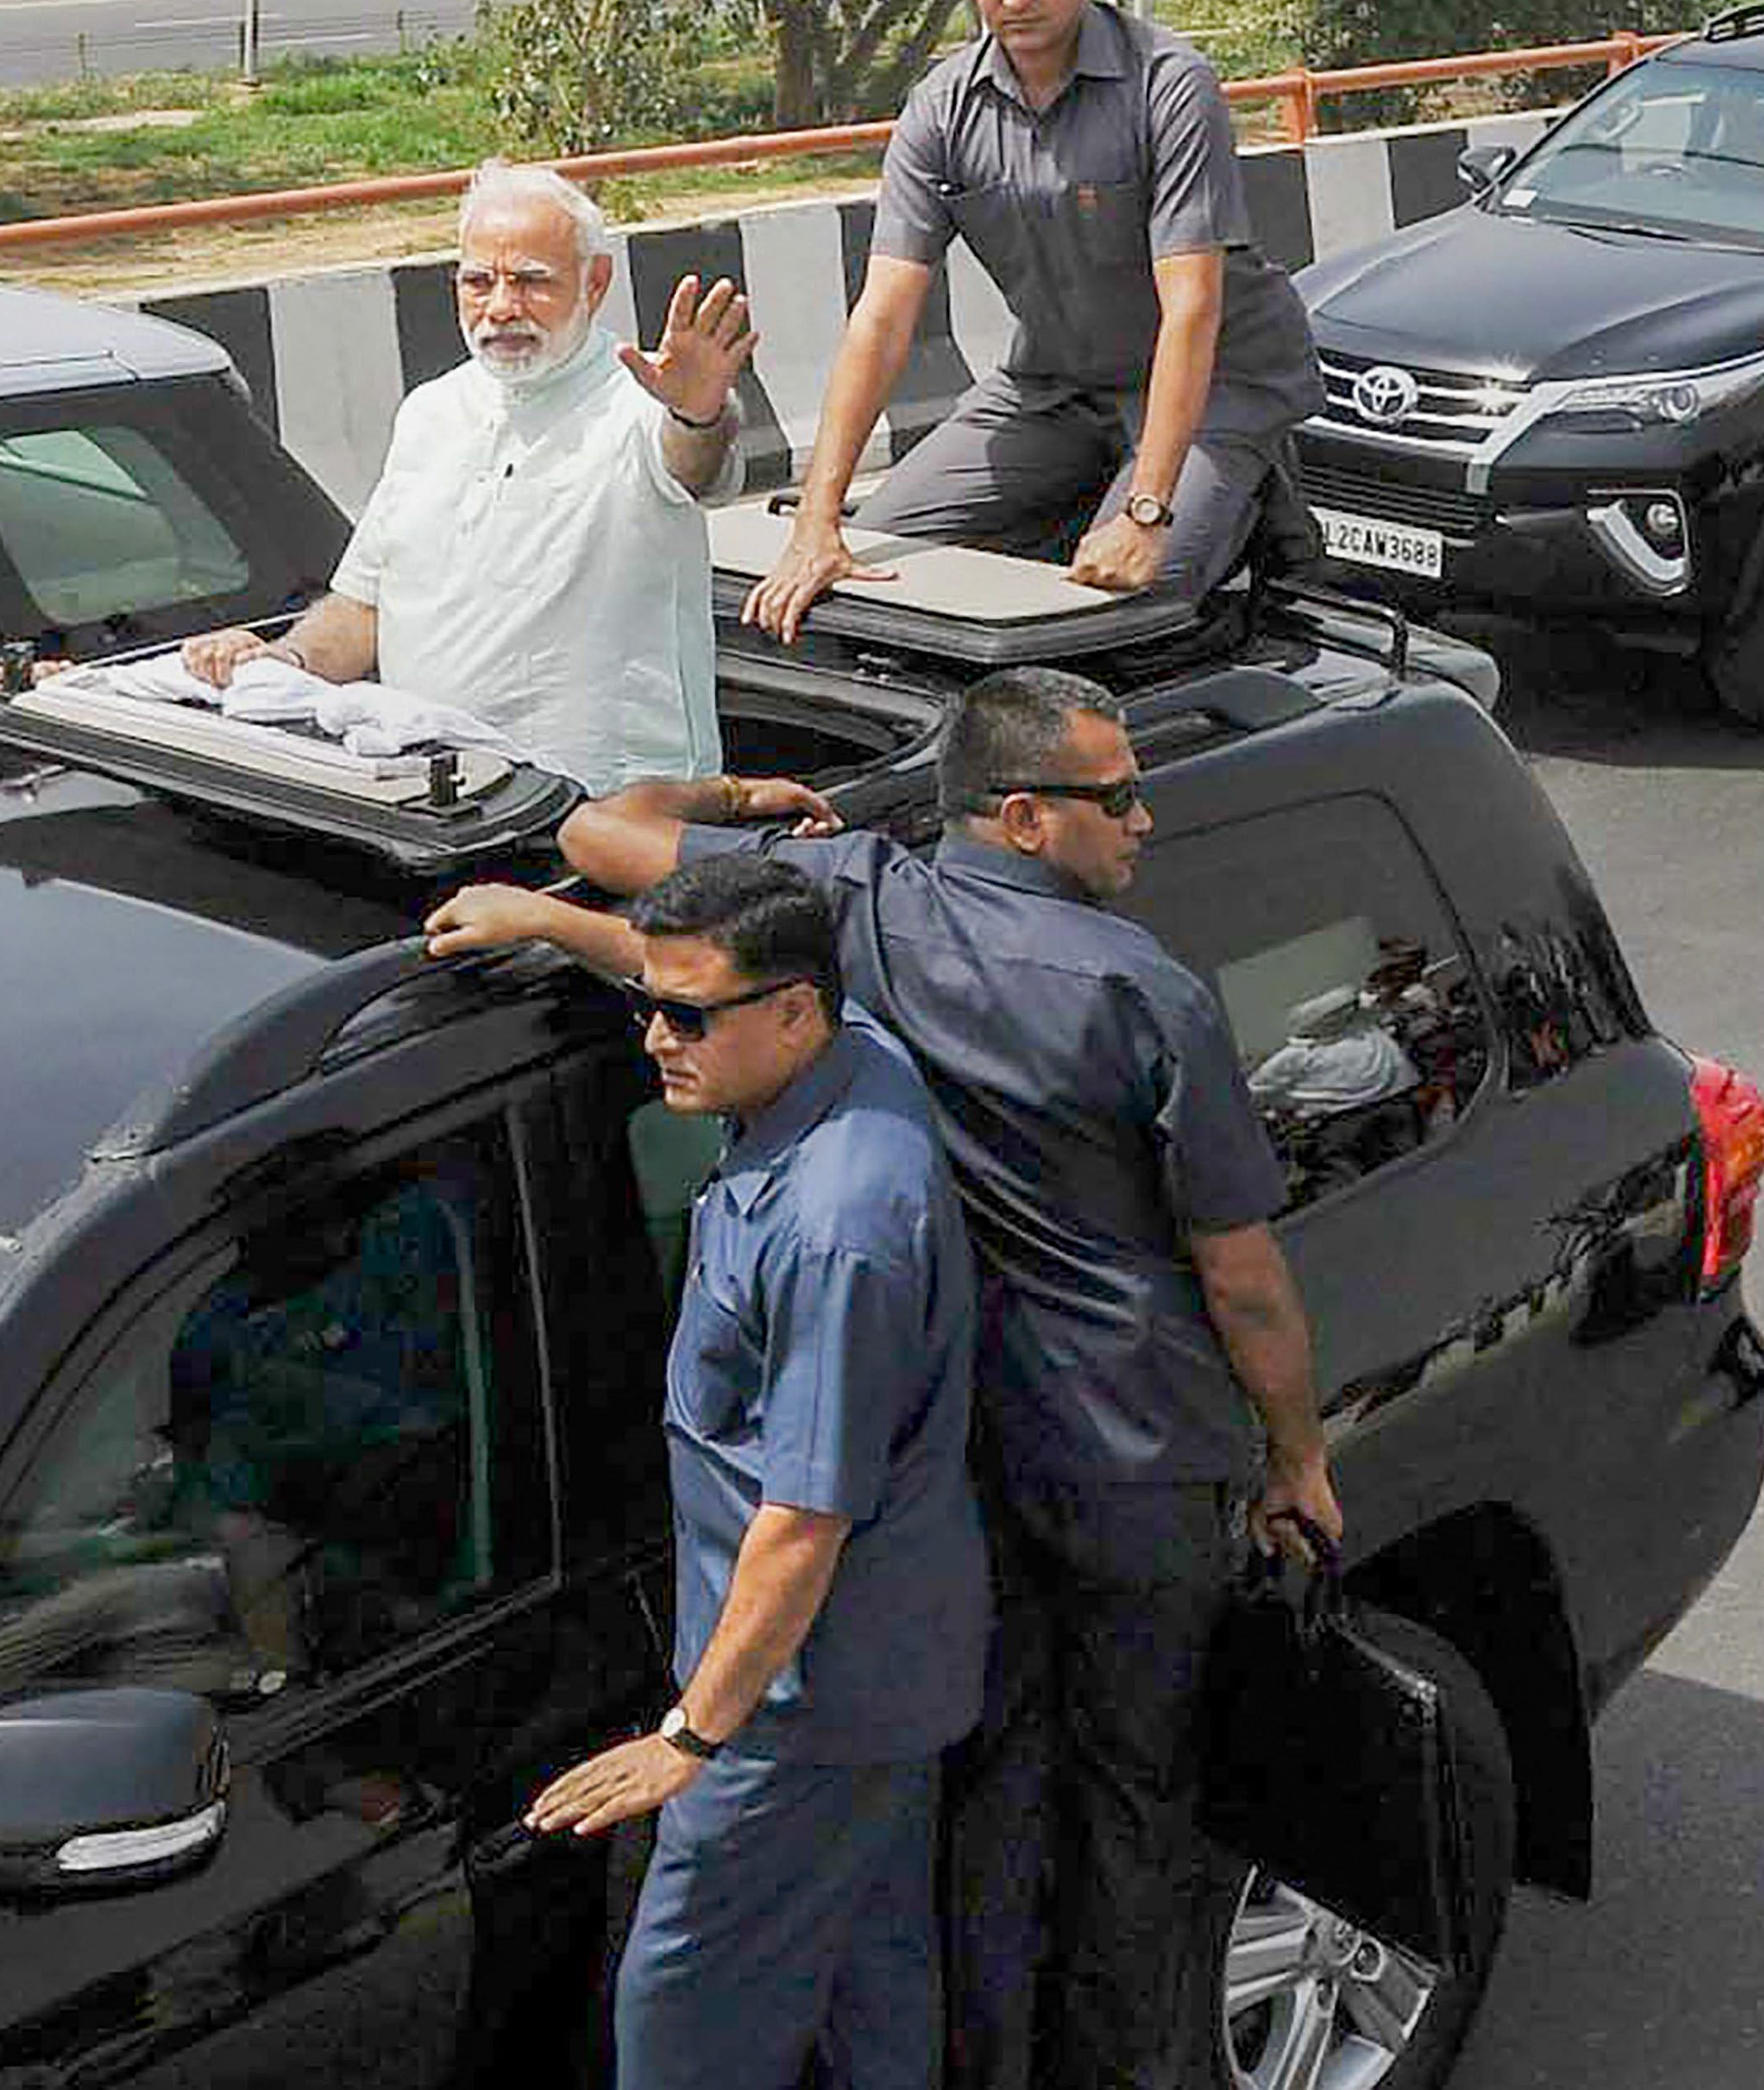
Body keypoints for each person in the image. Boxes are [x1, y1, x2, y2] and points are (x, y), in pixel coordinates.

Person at [430, 665, 1342, 2090]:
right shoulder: (1143, 988)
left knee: (993, 1801)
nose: (1144, 821)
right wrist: (1297, 1454)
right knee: (1133, 1810)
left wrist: (586, 893)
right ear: (1028, 817)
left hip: (972, 1453)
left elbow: (610, 836)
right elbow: (1240, 1272)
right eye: (1118, 797)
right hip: (1132, 1451)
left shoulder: (858, 898)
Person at [519, 852, 982, 2090]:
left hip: (797, 1706)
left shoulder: (838, 1230)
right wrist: (548, 921)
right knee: (869, 1991)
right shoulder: (841, 1048)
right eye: (646, 1007)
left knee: (683, 2031)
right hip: (881, 1679)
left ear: (794, 1011)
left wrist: (690, 1740)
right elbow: (694, 975)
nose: (654, 1040)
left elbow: (803, 1521)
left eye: (684, 1018)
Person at [748, 0, 1321, 638]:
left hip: (1215, 386)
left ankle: (1245, 506)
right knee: (880, 556)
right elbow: (882, 318)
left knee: (1123, 603)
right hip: (1050, 387)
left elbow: (1192, 307)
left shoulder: (1169, 85)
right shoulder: (943, 109)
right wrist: (818, 523)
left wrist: (1149, 511)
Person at [171, 156, 753, 791]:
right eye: (480, 281)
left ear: (595, 283)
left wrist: (697, 415)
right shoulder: (430, 413)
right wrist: (282, 661)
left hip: (610, 809)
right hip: (445, 800)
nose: (501, 307)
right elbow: (367, 606)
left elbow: (694, 464)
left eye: (532, 281)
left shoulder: (641, 404)